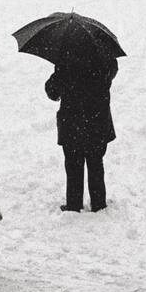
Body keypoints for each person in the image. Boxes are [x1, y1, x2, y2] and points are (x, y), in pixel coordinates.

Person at [44, 56, 118, 212]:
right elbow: (111, 72)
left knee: (73, 164)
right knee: (96, 162)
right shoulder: (105, 59)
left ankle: (74, 203)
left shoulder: (66, 60)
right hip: (98, 122)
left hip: (73, 122)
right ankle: (98, 203)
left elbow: (53, 91)